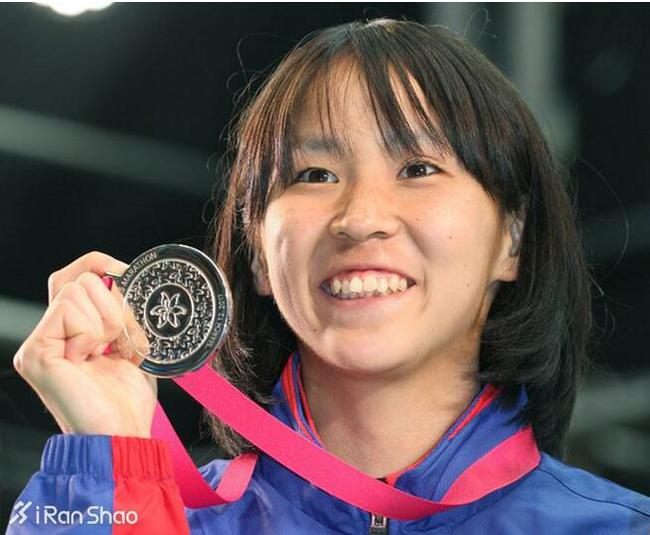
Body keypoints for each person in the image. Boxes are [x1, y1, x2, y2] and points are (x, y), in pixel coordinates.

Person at [8, 17, 650, 534]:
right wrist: (108, 460)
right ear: (260, 255)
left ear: (511, 239)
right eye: (314, 175)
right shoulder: (143, 516)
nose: (360, 218)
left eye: (418, 168)